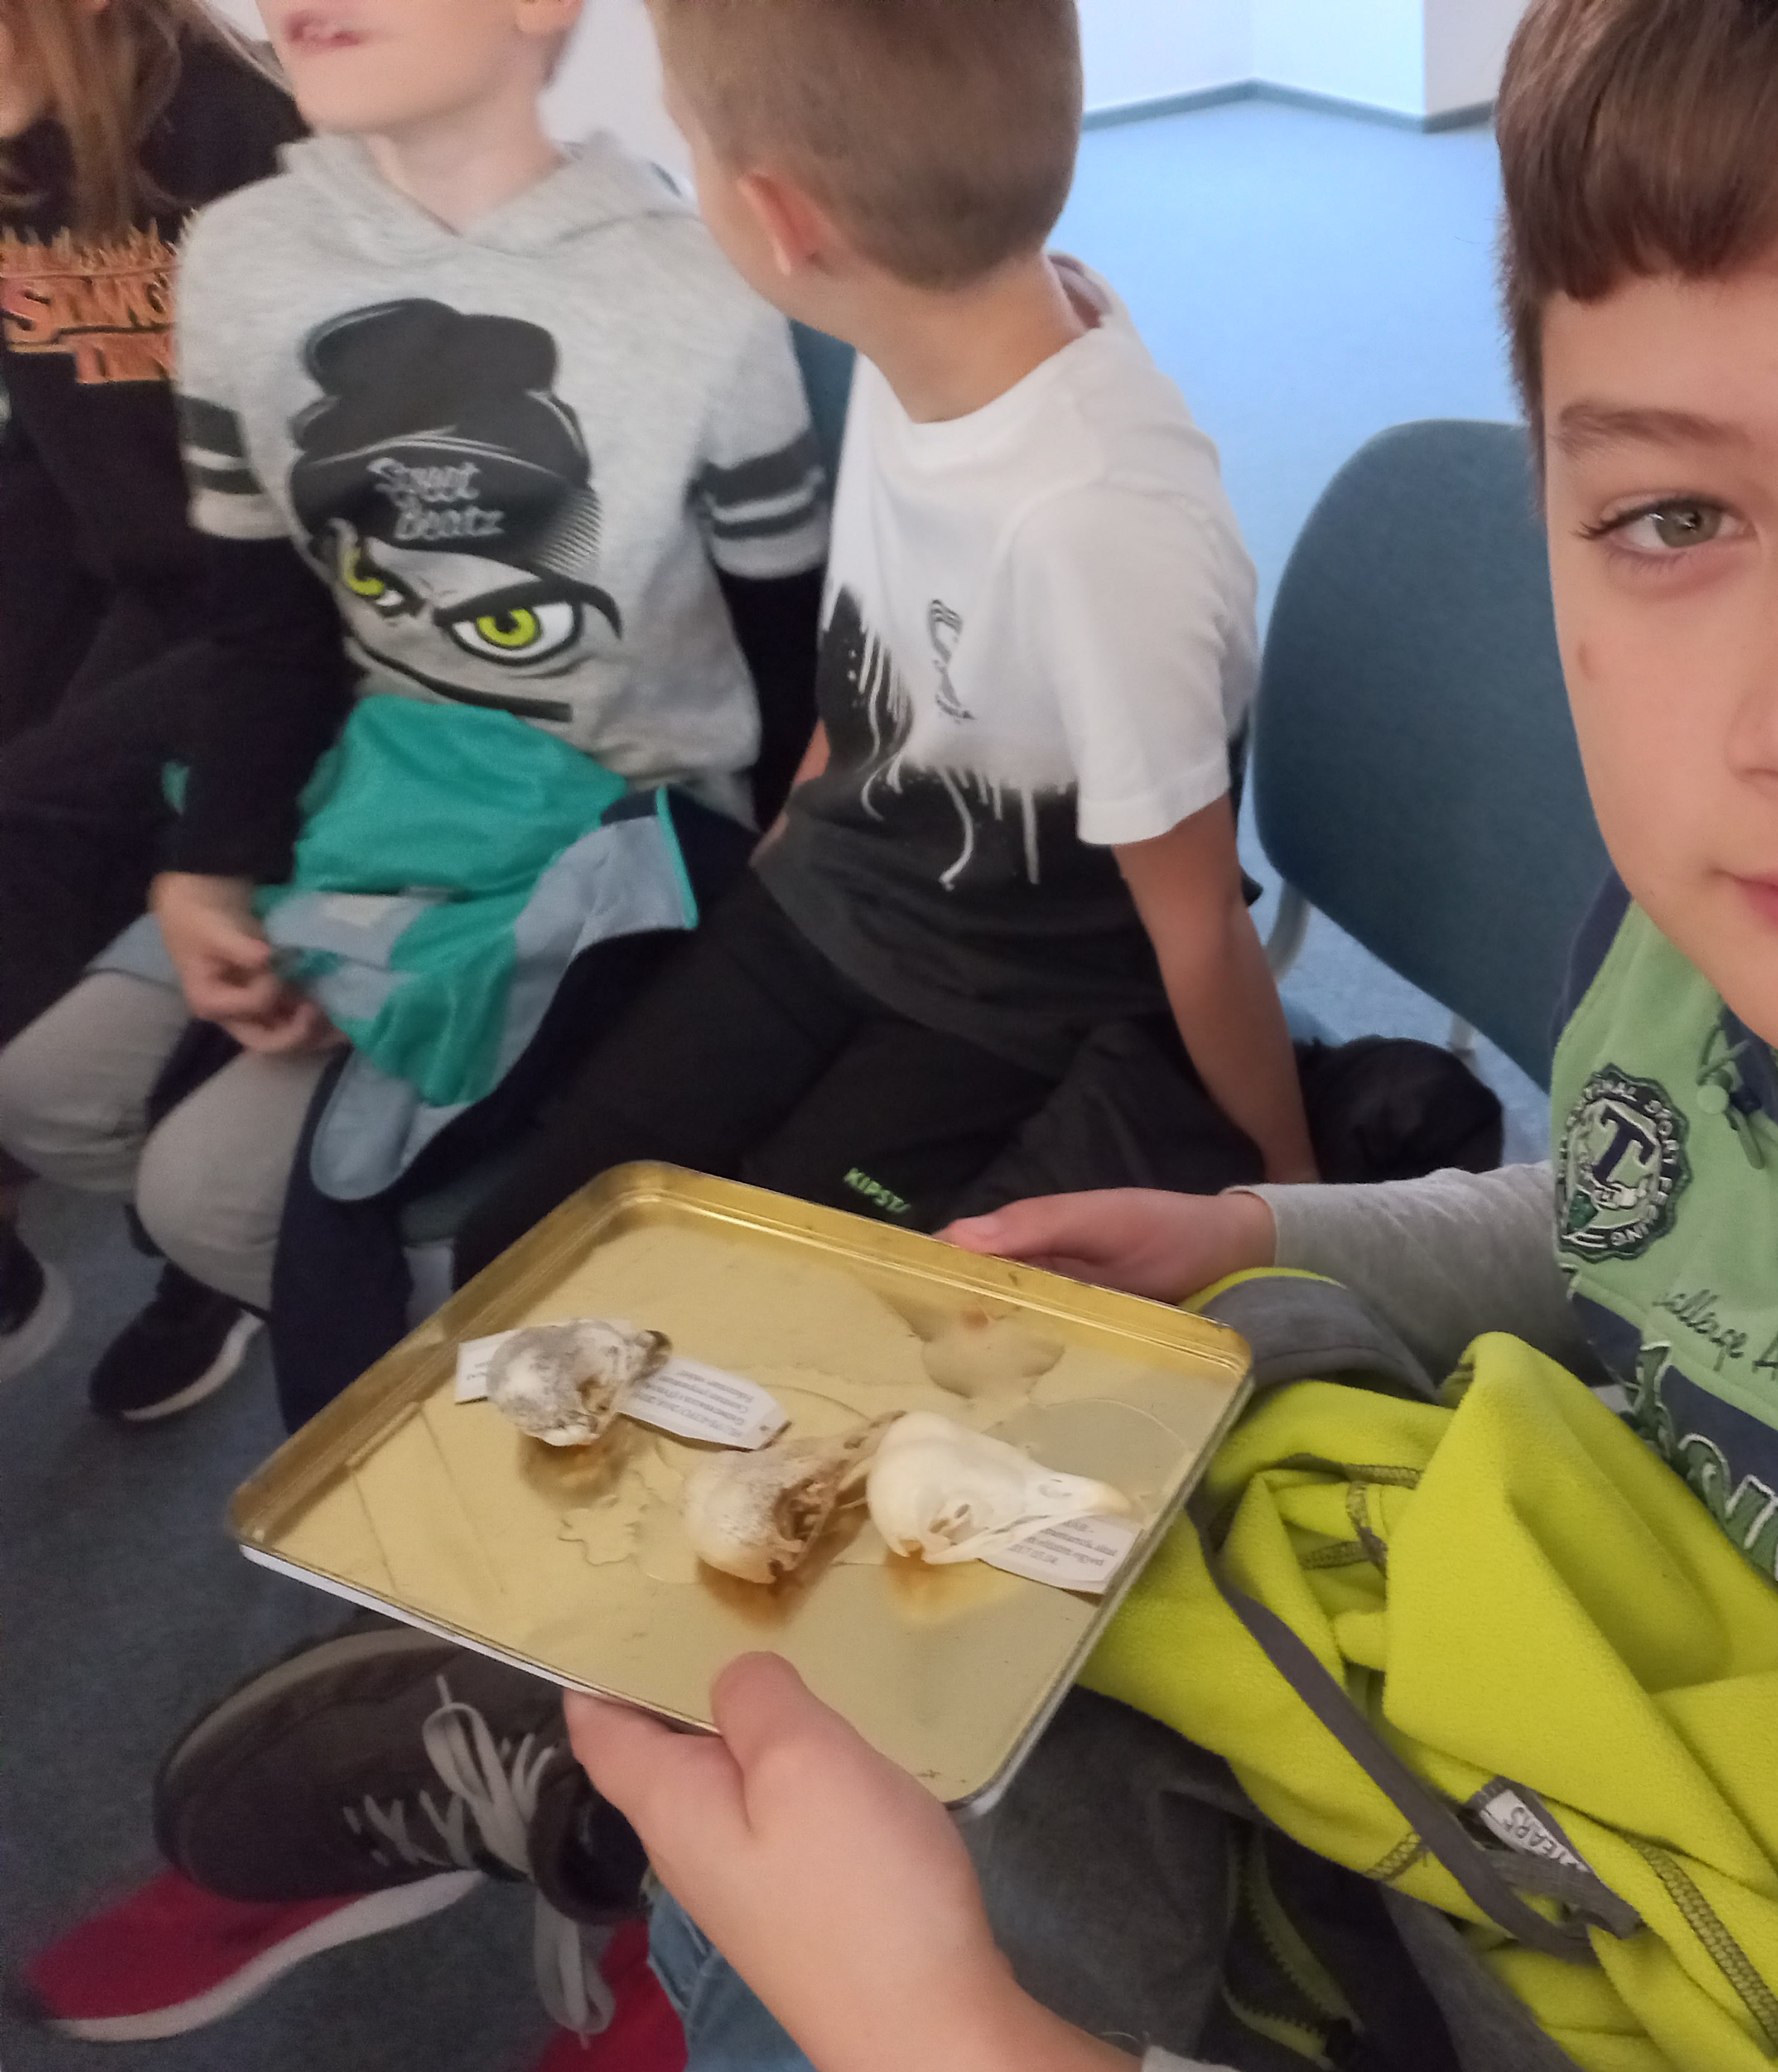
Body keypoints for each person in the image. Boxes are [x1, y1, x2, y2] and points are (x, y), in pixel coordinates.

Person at [137, 0, 1778, 2072]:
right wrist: (1271, 1222)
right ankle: (671, 1787)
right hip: (1599, 1736)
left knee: (877, 1887)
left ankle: (675, 1840)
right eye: (1674, 514)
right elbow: (1668, 1212)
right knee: (1013, 1471)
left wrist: (977, 2058)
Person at [0, 0, 828, 1424]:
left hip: (625, 821)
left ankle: (524, 1420)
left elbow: (789, 657)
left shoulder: (693, 281)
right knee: (49, 1092)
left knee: (211, 1195)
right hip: (386, 781)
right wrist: (217, 864)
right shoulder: (246, 257)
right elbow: (268, 626)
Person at [443, 0, 1312, 1279]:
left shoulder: (1093, 525)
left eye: (690, 151)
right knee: (524, 1254)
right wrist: (783, 855)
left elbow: (1199, 929)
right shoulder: (924, 340)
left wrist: (1291, 1187)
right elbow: (872, 669)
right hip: (833, 896)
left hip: (1006, 1001)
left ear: (782, 220)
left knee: (742, 1326)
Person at [0, 0, 298, 1393]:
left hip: (270, 586)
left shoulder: (227, 119)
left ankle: (208, 1259)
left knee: (44, 819)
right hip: (116, 562)